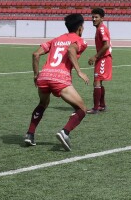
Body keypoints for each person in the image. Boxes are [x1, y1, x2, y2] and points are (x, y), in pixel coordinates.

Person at [24, 13, 91, 151]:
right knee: (82, 109)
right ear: (80, 27)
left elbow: (35, 54)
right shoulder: (80, 40)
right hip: (60, 79)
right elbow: (71, 49)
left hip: (44, 76)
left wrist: (36, 75)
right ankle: (65, 132)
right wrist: (79, 71)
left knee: (42, 104)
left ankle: (30, 134)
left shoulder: (56, 39)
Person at [86, 7, 113, 114]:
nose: (93, 19)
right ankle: (102, 105)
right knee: (98, 82)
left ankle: (95, 108)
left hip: (103, 58)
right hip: (102, 58)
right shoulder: (99, 28)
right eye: (92, 17)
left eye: (96, 17)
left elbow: (106, 45)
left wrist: (95, 57)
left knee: (97, 82)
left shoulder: (101, 29)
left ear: (102, 18)